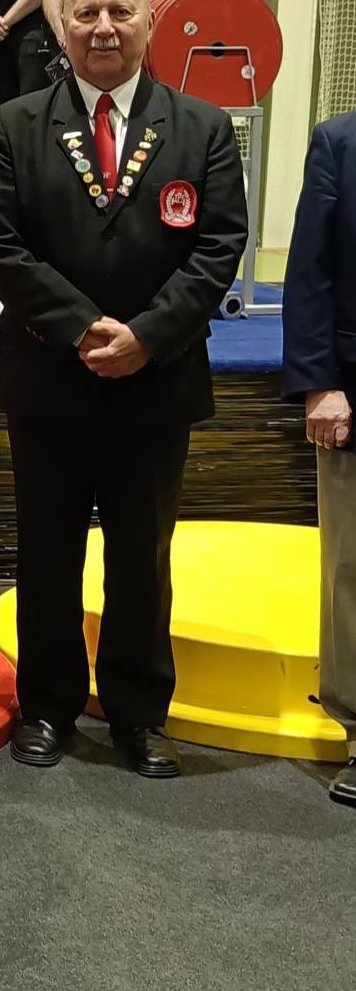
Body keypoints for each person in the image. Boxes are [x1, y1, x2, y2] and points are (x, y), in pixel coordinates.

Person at [0, 0, 246, 778]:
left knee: (140, 558)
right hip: (48, 375)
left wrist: (145, 336)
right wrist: (80, 329)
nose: (102, 27)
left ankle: (137, 714)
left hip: (155, 380)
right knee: (46, 551)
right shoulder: (13, 125)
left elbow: (217, 248)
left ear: (148, 22)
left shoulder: (202, 128)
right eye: (86, 12)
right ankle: (47, 705)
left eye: (119, 12)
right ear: (62, 26)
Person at [282, 111, 356, 807]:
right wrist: (319, 384)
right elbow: (309, 272)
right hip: (353, 392)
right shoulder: (341, 142)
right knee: (351, 570)